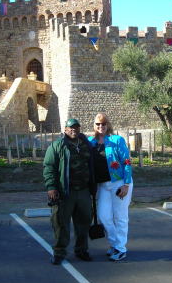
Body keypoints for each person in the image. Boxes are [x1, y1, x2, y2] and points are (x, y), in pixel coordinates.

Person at [43, 118, 96, 265]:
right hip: (65, 192)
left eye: (76, 127)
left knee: (84, 222)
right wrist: (51, 187)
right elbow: (49, 167)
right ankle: (59, 252)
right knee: (60, 223)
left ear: (80, 129)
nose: (74, 130)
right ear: (65, 130)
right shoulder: (57, 146)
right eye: (71, 128)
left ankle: (81, 250)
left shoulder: (86, 145)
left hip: (84, 191)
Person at [88, 113, 133, 261]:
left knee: (120, 217)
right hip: (103, 185)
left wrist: (126, 184)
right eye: (97, 124)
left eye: (103, 124)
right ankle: (115, 244)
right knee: (103, 216)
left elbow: (126, 161)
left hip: (119, 182)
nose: (101, 127)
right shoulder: (91, 142)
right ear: (94, 125)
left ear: (108, 125)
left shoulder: (117, 140)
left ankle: (121, 248)